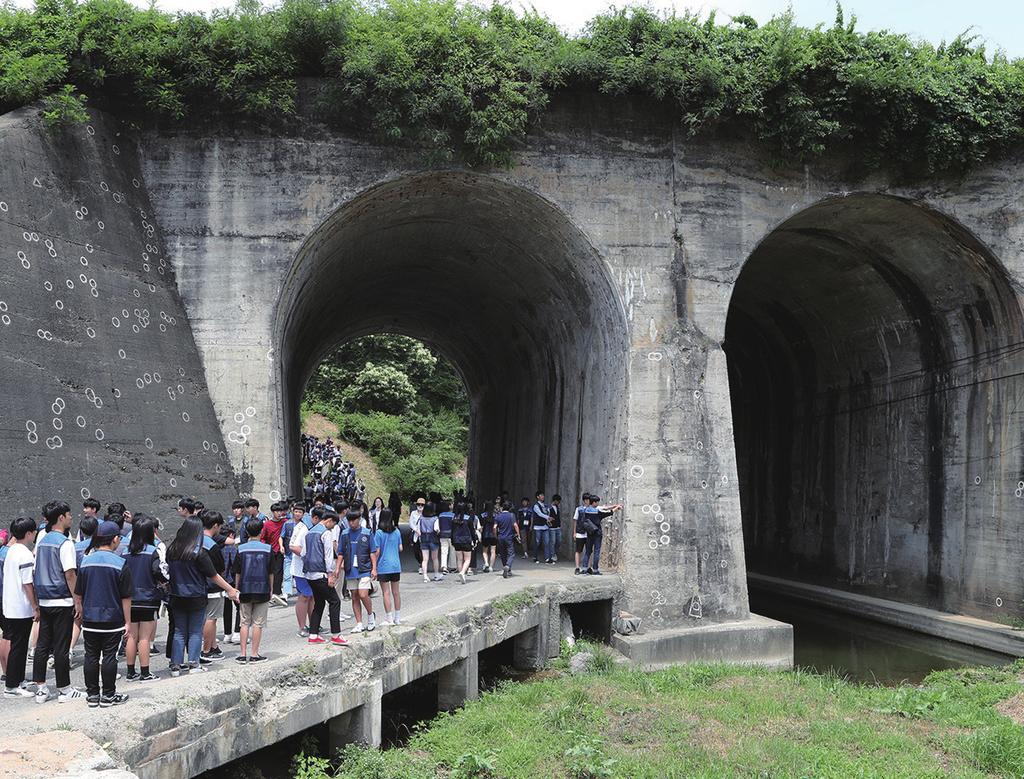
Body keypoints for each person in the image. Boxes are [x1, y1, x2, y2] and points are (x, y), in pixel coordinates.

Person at [165, 517, 239, 677]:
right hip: (196, 595)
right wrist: (231, 589)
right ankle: (193, 663)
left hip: (176, 595)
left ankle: (175, 666)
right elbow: (213, 575)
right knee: (195, 631)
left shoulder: (172, 550)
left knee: (179, 631)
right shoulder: (198, 552)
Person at [32, 500, 85, 704]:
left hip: (45, 600)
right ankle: (64, 689)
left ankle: (41, 688)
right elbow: (70, 574)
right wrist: (77, 600)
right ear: (61, 517)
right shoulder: (64, 543)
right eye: (69, 514)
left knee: (43, 646)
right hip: (62, 599)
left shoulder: (42, 541)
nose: (72, 517)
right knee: (61, 647)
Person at [75, 521, 132, 707]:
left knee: (90, 655)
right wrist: (128, 623)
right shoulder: (120, 563)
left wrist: (80, 610)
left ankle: (92, 696)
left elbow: (79, 593)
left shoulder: (85, 561)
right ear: (115, 539)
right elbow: (125, 598)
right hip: (112, 619)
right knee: (109, 656)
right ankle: (108, 695)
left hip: (90, 618)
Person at [123, 514, 167, 682]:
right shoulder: (152, 552)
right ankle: (145, 672)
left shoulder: (125, 551)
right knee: (144, 637)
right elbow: (159, 572)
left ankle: (130, 672)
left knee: (131, 636)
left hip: (129, 599)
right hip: (148, 598)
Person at [3, 517, 39, 698]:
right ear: (28, 534)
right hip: (20, 607)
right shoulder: (24, 554)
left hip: (10, 605)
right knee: (19, 646)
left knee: (20, 645)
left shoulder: (11, 551)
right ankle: (11, 686)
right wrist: (35, 606)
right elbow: (27, 583)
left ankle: (18, 680)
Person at [301, 511, 348, 646]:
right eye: (333, 524)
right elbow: (328, 555)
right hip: (321, 573)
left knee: (319, 603)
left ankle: (313, 635)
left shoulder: (309, 533)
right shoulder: (325, 533)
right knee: (335, 601)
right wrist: (330, 574)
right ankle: (336, 634)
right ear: (328, 520)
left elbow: (303, 553)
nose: (333, 527)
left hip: (309, 574)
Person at [233, 519, 273, 663]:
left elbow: (237, 572)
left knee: (244, 622)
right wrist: (271, 589)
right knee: (258, 623)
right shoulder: (268, 549)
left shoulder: (241, 549)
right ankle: (255, 654)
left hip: (244, 589)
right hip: (262, 589)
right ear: (261, 531)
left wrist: (236, 589)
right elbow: (270, 572)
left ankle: (242, 654)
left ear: (247, 532)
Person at [337, 510, 377, 633]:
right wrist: (337, 568)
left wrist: (374, 568)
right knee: (354, 595)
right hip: (350, 569)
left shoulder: (367, 533)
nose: (351, 523)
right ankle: (359, 623)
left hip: (364, 567)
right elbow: (340, 552)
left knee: (363, 594)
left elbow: (373, 551)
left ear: (359, 520)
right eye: (349, 520)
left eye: (354, 520)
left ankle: (370, 616)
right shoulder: (344, 534)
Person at [200, 511, 228, 663]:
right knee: (211, 618)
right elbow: (220, 569)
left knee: (207, 618)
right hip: (213, 586)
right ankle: (206, 650)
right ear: (215, 525)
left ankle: (213, 646)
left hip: (199, 586)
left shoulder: (196, 541)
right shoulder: (212, 546)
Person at [289, 506, 315, 638]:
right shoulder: (302, 528)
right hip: (301, 569)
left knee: (311, 597)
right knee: (304, 596)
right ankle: (302, 627)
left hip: (308, 569)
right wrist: (309, 556)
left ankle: (313, 625)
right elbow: (293, 546)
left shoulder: (302, 527)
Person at [374, 510, 402, 626]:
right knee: (396, 592)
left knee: (386, 592)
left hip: (384, 566)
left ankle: (389, 618)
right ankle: (398, 618)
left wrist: (373, 566)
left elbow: (377, 551)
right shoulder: (397, 532)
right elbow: (401, 548)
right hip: (396, 565)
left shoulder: (379, 533)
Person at [581, 495, 622, 575]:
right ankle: (595, 570)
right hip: (597, 533)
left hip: (589, 533)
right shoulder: (598, 512)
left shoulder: (586, 510)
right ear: (594, 502)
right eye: (597, 502)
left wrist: (614, 505)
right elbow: (608, 512)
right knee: (596, 551)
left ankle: (584, 569)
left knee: (588, 551)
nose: (598, 503)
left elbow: (604, 508)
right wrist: (617, 508)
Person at [259, 501, 289, 607]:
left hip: (281, 551)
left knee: (279, 573)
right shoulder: (267, 524)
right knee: (269, 573)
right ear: (272, 512)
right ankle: (271, 593)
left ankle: (277, 593)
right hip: (270, 551)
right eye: (276, 511)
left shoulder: (286, 522)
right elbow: (262, 538)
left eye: (280, 511)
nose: (279, 513)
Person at [221, 525, 241, 644]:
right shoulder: (232, 548)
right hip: (232, 581)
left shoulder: (217, 547)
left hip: (220, 581)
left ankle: (227, 634)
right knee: (240, 606)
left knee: (226, 609)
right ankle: (237, 633)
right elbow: (236, 566)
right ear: (231, 535)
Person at [451, 502, 478, 584]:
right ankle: (462, 572)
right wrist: (474, 539)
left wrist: (452, 540)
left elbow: (452, 531)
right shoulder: (468, 518)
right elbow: (472, 530)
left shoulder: (454, 518)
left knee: (459, 559)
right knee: (467, 559)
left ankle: (460, 574)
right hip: (466, 540)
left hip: (456, 541)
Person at [493, 501, 520, 579]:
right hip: (509, 537)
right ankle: (507, 566)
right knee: (511, 554)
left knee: (503, 554)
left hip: (500, 537)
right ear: (510, 508)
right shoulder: (511, 515)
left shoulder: (498, 516)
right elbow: (515, 525)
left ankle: (507, 568)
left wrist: (495, 536)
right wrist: (518, 535)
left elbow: (494, 527)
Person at [416, 503, 441, 583]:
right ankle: (436, 574)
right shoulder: (435, 519)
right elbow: (436, 529)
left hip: (424, 538)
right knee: (435, 558)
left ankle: (425, 576)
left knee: (425, 559)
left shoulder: (421, 518)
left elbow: (418, 530)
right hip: (433, 538)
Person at [0, 529, 13, 679]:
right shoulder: (7, 553)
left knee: (5, 635)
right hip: (5, 598)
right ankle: (11, 673)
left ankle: (5, 672)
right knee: (10, 636)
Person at [532, 492, 551, 564]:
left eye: (543, 495)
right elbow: (540, 514)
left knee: (547, 542)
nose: (543, 496)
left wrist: (548, 515)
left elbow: (547, 512)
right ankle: (535, 557)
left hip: (545, 526)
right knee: (537, 543)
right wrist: (548, 517)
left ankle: (547, 558)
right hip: (537, 527)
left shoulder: (545, 505)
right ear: (537, 497)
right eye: (541, 495)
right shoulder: (536, 506)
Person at [478, 501, 497, 573]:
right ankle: (491, 567)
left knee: (485, 551)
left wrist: (480, 535)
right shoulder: (496, 515)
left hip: (485, 535)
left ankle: (486, 563)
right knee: (493, 551)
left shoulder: (482, 515)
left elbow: (481, 527)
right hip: (493, 535)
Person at [437, 501, 455, 574]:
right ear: (449, 506)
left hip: (442, 535)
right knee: (452, 551)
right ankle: (452, 567)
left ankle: (444, 566)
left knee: (444, 551)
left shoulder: (440, 515)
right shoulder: (453, 515)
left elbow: (438, 525)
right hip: (451, 535)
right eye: (452, 504)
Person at [548, 495, 563, 563]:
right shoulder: (549, 508)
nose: (559, 502)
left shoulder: (558, 508)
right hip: (552, 528)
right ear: (555, 500)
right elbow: (547, 517)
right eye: (558, 501)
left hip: (558, 527)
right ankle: (552, 555)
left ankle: (554, 552)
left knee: (559, 541)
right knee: (552, 541)